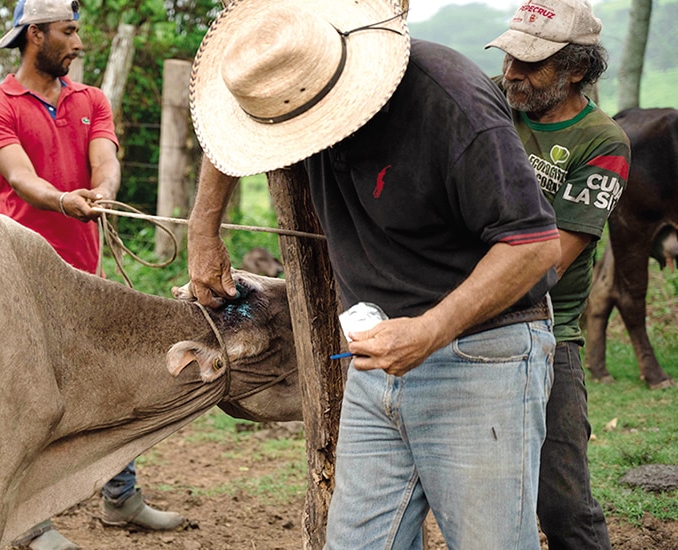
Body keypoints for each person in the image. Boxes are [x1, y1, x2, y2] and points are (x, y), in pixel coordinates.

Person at [185, 0, 563, 548]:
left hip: (482, 356)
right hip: (376, 359)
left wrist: (428, 331)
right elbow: (226, 134)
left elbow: (533, 247)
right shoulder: (286, 82)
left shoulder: (451, 103)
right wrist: (203, 228)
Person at [0, 0, 184, 548]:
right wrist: (66, 201)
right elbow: (20, 179)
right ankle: (28, 522)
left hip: (85, 273)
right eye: (68, 31)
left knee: (117, 382)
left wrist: (104, 192)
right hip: (24, 276)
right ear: (35, 34)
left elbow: (105, 160)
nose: (79, 42)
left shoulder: (91, 100)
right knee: (29, 398)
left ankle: (121, 498)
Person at [486, 1, 630, 548]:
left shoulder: (603, 141)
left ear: (575, 69)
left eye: (531, 64)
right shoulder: (491, 100)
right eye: (509, 59)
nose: (512, 74)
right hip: (461, 316)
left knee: (563, 504)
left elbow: (551, 260)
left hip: (548, 332)